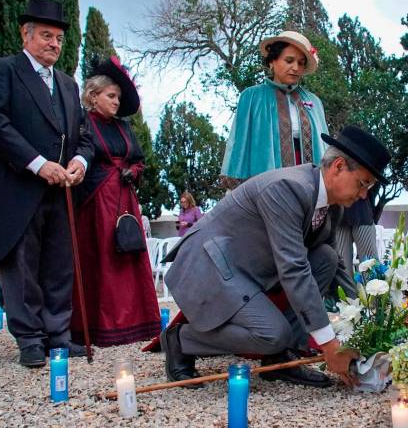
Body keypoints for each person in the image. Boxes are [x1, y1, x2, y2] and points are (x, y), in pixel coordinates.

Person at [161, 126, 390, 388]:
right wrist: (330, 344)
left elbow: (335, 266)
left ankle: (279, 358)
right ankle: (181, 340)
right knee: (272, 334)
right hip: (212, 265)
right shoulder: (287, 188)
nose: (363, 196)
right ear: (338, 166)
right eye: (363, 184)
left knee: (326, 256)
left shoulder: (331, 207)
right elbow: (293, 268)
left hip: (248, 270)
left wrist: (366, 318)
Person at [0, 0, 94, 367]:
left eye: (59, 38)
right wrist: (38, 164)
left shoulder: (68, 84)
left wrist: (79, 160)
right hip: (18, 187)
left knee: (58, 265)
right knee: (22, 266)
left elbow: (84, 135)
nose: (54, 45)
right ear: (25, 35)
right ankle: (30, 339)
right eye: (46, 36)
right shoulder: (2, 71)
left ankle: (58, 336)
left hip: (61, 192)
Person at [69, 57, 160, 347]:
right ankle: (102, 326)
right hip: (97, 202)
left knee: (130, 255)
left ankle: (137, 322)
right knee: (103, 259)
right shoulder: (82, 124)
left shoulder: (124, 128)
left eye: (119, 97)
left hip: (125, 198)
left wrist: (133, 171)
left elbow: (139, 159)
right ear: (93, 96)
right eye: (111, 96)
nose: (116, 102)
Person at [220, 31, 328, 189]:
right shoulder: (251, 97)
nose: (295, 67)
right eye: (289, 60)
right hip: (265, 183)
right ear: (272, 62)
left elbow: (324, 149)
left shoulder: (314, 101)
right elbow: (239, 144)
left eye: (301, 62)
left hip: (308, 185)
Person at [334, 193, 379, 288]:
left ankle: (376, 300)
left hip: (362, 210)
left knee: (370, 264)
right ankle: (347, 301)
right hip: (338, 212)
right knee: (342, 267)